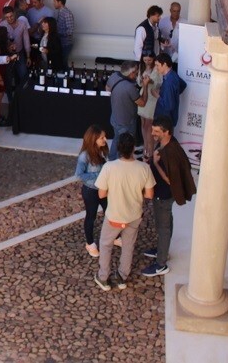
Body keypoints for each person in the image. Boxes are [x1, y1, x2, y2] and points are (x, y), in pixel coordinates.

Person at [94, 133, 155, 291]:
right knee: (128, 246)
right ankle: (122, 277)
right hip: (134, 216)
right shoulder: (144, 168)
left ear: (119, 149)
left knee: (106, 245)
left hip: (114, 215)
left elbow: (101, 194)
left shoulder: (109, 167)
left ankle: (104, 278)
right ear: (134, 148)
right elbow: (149, 195)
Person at [142, 115, 197, 277]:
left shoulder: (170, 152)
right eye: (153, 130)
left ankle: (161, 264)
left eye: (157, 131)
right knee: (164, 223)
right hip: (162, 195)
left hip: (164, 196)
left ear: (167, 132)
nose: (153, 133)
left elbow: (170, 179)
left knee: (163, 227)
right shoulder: (169, 145)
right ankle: (161, 250)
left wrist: (156, 163)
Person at [75, 125, 109, 257]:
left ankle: (115, 237)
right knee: (91, 216)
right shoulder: (85, 156)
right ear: (94, 139)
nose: (105, 139)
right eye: (102, 137)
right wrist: (99, 175)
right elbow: (79, 175)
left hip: (104, 189)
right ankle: (90, 243)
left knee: (110, 212)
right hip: (91, 190)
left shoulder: (103, 151)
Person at [105, 61, 150, 160]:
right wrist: (145, 86)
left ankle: (111, 161)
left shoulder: (114, 76)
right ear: (131, 73)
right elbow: (142, 103)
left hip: (115, 118)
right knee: (125, 146)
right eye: (136, 72)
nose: (137, 74)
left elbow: (107, 88)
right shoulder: (129, 87)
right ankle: (121, 164)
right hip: (126, 122)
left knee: (117, 139)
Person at [0, 6, 30, 96]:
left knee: (23, 74)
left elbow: (26, 40)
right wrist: (7, 47)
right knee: (8, 77)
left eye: (11, 16)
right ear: (4, 17)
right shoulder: (0, 26)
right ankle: (10, 98)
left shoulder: (22, 24)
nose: (10, 19)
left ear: (15, 14)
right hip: (6, 55)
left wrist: (28, 56)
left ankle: (23, 95)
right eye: (7, 17)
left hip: (19, 53)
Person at [136, 52, 162, 158]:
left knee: (149, 124)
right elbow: (138, 83)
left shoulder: (157, 68)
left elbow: (160, 82)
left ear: (153, 59)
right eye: (145, 60)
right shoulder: (141, 67)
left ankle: (150, 150)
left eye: (149, 60)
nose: (147, 62)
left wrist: (151, 81)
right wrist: (142, 81)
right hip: (143, 95)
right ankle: (145, 147)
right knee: (143, 124)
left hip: (152, 97)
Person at [152, 53, 188, 128]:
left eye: (157, 65)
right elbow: (183, 85)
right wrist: (173, 95)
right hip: (168, 119)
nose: (156, 68)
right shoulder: (173, 74)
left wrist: (157, 96)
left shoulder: (169, 81)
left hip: (165, 121)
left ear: (164, 64)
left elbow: (168, 106)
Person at [52, 0, 75, 70]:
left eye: (54, 2)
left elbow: (70, 31)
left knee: (63, 63)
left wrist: (58, 34)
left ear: (59, 2)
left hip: (66, 44)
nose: (53, 3)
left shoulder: (67, 14)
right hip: (60, 43)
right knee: (60, 63)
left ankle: (66, 79)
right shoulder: (59, 12)